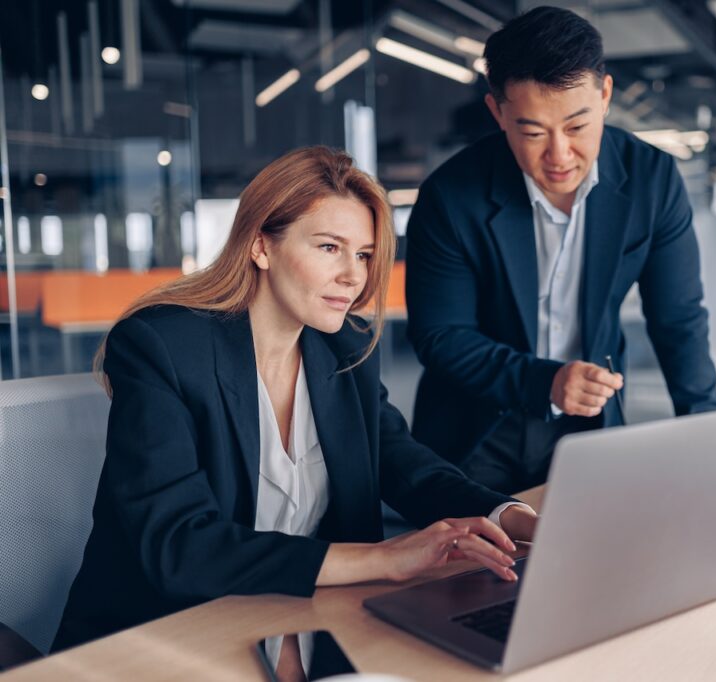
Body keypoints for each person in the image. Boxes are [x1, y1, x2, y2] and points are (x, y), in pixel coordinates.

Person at [54, 147, 537, 677]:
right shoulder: (161, 346)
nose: (353, 276)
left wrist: (508, 516)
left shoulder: (343, 347)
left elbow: (403, 463)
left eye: (363, 255)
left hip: (298, 614)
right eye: (330, 247)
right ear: (261, 245)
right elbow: (181, 545)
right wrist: (385, 560)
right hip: (163, 633)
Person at [405, 6, 716, 495]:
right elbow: (442, 335)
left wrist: (712, 437)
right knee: (476, 567)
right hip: (474, 427)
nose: (559, 155)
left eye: (577, 127)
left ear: (605, 96)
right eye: (533, 132)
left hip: (590, 423)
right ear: (498, 112)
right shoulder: (452, 196)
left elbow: (678, 317)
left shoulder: (651, 181)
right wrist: (544, 382)